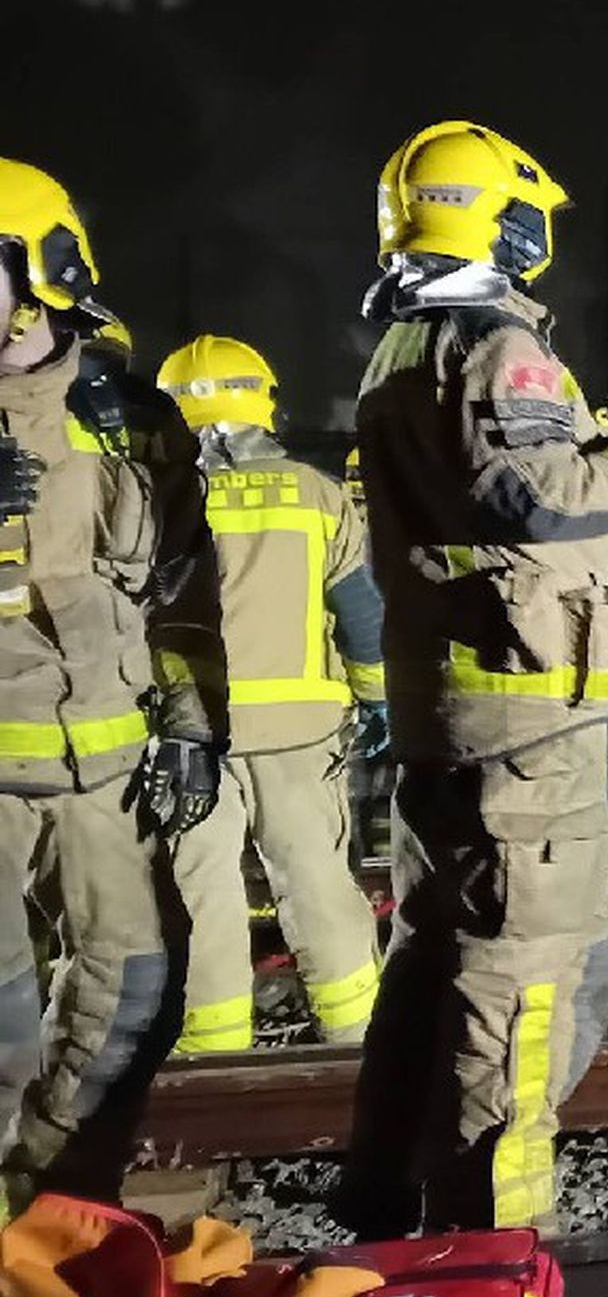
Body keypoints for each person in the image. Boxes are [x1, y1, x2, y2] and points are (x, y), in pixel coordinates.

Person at [338, 119, 608, 1235]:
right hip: (528, 727)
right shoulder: (496, 348)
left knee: (433, 957)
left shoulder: (400, 349)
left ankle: (386, 1203)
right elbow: (537, 497)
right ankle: (492, 1253)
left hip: (462, 711)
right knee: (527, 982)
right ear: (500, 220)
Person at [0, 159, 226, 1216]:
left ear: (42, 271)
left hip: (106, 769)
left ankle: (46, 1214)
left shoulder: (131, 419)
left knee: (137, 993)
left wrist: (188, 719)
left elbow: (180, 592)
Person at [156, 334, 386, 1053]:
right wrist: (380, 701)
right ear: (264, 403)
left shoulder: (154, 498)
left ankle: (213, 1050)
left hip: (192, 734)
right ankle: (355, 1039)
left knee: (202, 893)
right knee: (318, 882)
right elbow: (361, 613)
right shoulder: (316, 494)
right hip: (301, 732)